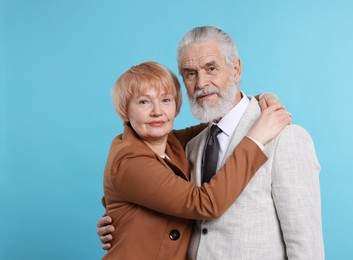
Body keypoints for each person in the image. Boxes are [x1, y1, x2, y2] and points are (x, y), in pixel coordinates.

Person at [98, 26, 324, 259]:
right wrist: (122, 218)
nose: (201, 82)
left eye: (211, 68)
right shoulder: (190, 146)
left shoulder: (286, 138)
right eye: (190, 73)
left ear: (236, 69)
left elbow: (307, 245)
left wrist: (262, 98)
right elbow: (200, 205)